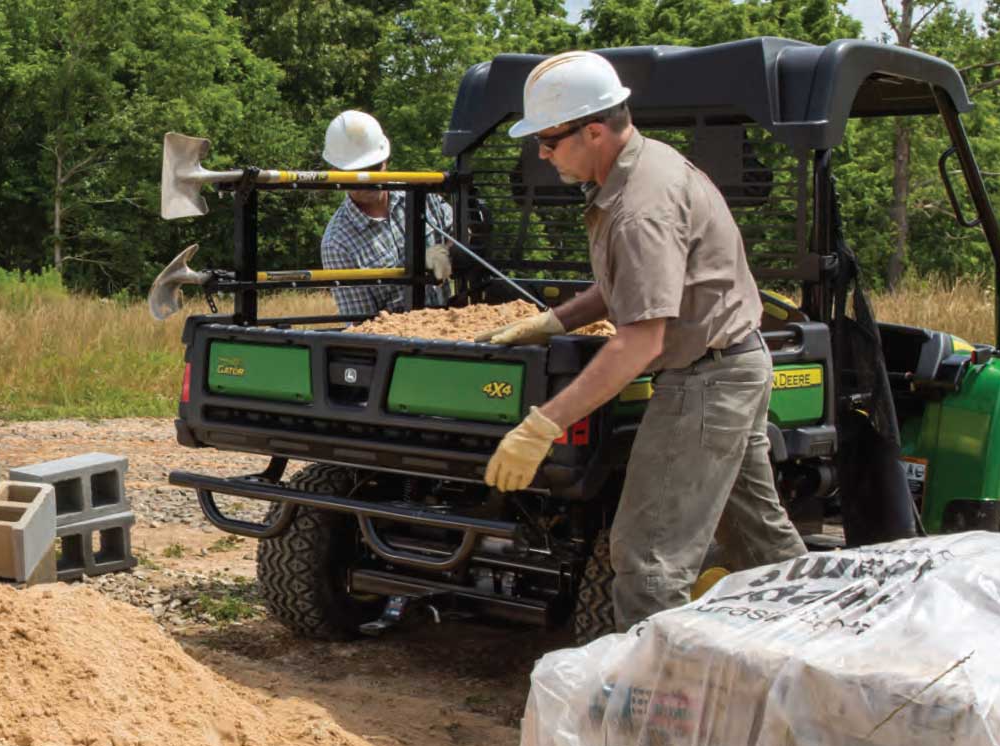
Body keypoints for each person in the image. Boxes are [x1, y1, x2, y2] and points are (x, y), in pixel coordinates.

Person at [477, 51, 807, 632]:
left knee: (648, 559)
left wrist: (541, 426)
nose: (543, 153)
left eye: (550, 140)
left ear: (594, 131)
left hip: (707, 379)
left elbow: (640, 342)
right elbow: (634, 282)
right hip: (733, 365)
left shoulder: (640, 207)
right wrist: (558, 321)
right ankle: (819, 647)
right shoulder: (640, 167)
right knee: (759, 542)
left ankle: (656, 710)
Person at [320, 110, 453, 317]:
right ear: (334, 170)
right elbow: (364, 328)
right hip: (397, 345)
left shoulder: (421, 196)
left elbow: (463, 232)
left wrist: (446, 253)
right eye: (354, 173)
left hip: (451, 328)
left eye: (372, 168)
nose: (366, 179)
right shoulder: (337, 242)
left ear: (385, 160)